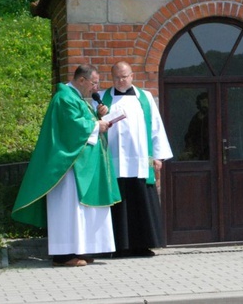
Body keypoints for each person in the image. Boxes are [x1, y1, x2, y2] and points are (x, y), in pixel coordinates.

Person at [12, 64, 121, 267]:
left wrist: (98, 116)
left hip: (79, 163)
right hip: (67, 167)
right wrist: (98, 125)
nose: (96, 88)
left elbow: (83, 122)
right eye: (94, 83)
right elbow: (72, 127)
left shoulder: (76, 98)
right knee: (67, 209)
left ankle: (79, 250)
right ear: (81, 80)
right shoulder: (64, 98)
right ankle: (63, 255)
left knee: (78, 211)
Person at [97, 61, 173, 257]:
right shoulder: (102, 100)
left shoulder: (145, 98)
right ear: (111, 77)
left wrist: (158, 156)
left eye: (124, 76)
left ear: (132, 76)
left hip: (141, 160)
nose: (121, 81)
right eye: (117, 77)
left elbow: (156, 125)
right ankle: (118, 247)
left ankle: (143, 245)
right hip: (113, 161)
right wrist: (98, 115)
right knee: (118, 205)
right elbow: (94, 126)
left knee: (142, 203)